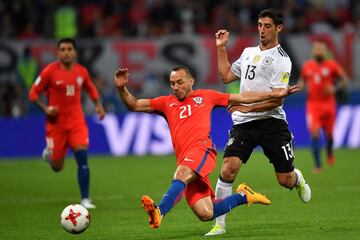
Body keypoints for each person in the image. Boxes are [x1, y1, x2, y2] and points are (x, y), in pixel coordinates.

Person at [114, 66, 300, 230]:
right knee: (206, 213)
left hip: (202, 151)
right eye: (172, 83)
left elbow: (242, 97)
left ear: (191, 81)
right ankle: (244, 196)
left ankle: (159, 211)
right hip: (184, 159)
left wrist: (273, 94)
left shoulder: (206, 96)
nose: (176, 87)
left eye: (180, 82)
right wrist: (122, 88)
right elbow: (135, 105)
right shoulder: (165, 103)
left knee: (180, 175)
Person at [206, 9, 312, 236]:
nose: (262, 30)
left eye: (267, 26)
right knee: (228, 169)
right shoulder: (247, 53)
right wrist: (221, 47)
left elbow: (276, 100)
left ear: (278, 28)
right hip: (244, 123)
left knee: (284, 179)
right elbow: (225, 76)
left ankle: (298, 179)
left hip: (271, 122)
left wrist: (247, 106)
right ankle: (219, 224)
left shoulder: (282, 60)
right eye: (259, 25)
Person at [28, 38, 106, 209]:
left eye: (69, 49)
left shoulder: (82, 72)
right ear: (58, 53)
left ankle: (85, 199)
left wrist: (99, 106)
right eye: (62, 49)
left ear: (75, 52)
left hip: (77, 122)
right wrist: (46, 108)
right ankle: (49, 155)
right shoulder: (49, 71)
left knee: (82, 158)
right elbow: (33, 94)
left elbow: (91, 88)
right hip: (56, 125)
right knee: (57, 167)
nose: (66, 52)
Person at [298, 41, 349, 173]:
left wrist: (335, 88)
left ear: (325, 51)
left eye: (321, 49)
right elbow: (301, 80)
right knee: (314, 133)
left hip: (328, 105)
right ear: (313, 51)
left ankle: (330, 152)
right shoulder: (307, 66)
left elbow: (344, 80)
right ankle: (318, 164)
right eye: (317, 49)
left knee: (330, 135)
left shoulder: (332, 65)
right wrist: (301, 86)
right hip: (313, 105)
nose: (319, 51)